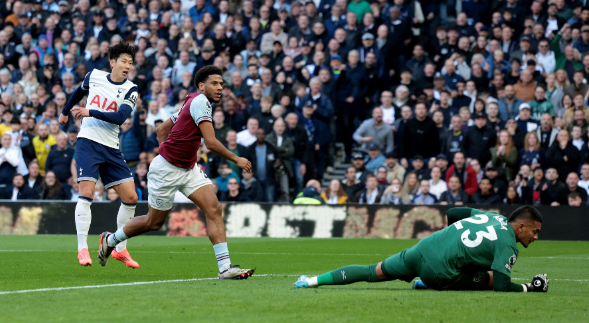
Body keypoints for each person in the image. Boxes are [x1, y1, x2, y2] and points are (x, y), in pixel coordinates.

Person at [98, 66, 255, 280]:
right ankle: (110, 240)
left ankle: (225, 267)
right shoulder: (200, 102)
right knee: (153, 223)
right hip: (166, 171)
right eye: (214, 83)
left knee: (214, 208)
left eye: (221, 84)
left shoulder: (190, 101)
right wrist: (236, 158)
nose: (220, 87)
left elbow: (161, 130)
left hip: (188, 168)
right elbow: (210, 142)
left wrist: (172, 150)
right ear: (201, 85)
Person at [295, 206, 548, 294]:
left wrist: (452, 241)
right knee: (492, 278)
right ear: (521, 226)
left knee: (374, 270)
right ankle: (431, 283)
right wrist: (529, 287)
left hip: (424, 248)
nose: (535, 237)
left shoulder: (491, 215)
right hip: (440, 273)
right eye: (534, 231)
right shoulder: (508, 243)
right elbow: (504, 285)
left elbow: (454, 214)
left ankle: (311, 281)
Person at [58, 41, 141, 269]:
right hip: (88, 142)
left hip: (111, 147)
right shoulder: (94, 76)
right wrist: (65, 112)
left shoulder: (131, 89)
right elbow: (78, 92)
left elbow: (119, 117)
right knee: (87, 193)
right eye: (124, 61)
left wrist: (89, 111)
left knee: (131, 198)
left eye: (131, 63)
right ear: (112, 62)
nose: (127, 66)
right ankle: (82, 248)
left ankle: (119, 249)